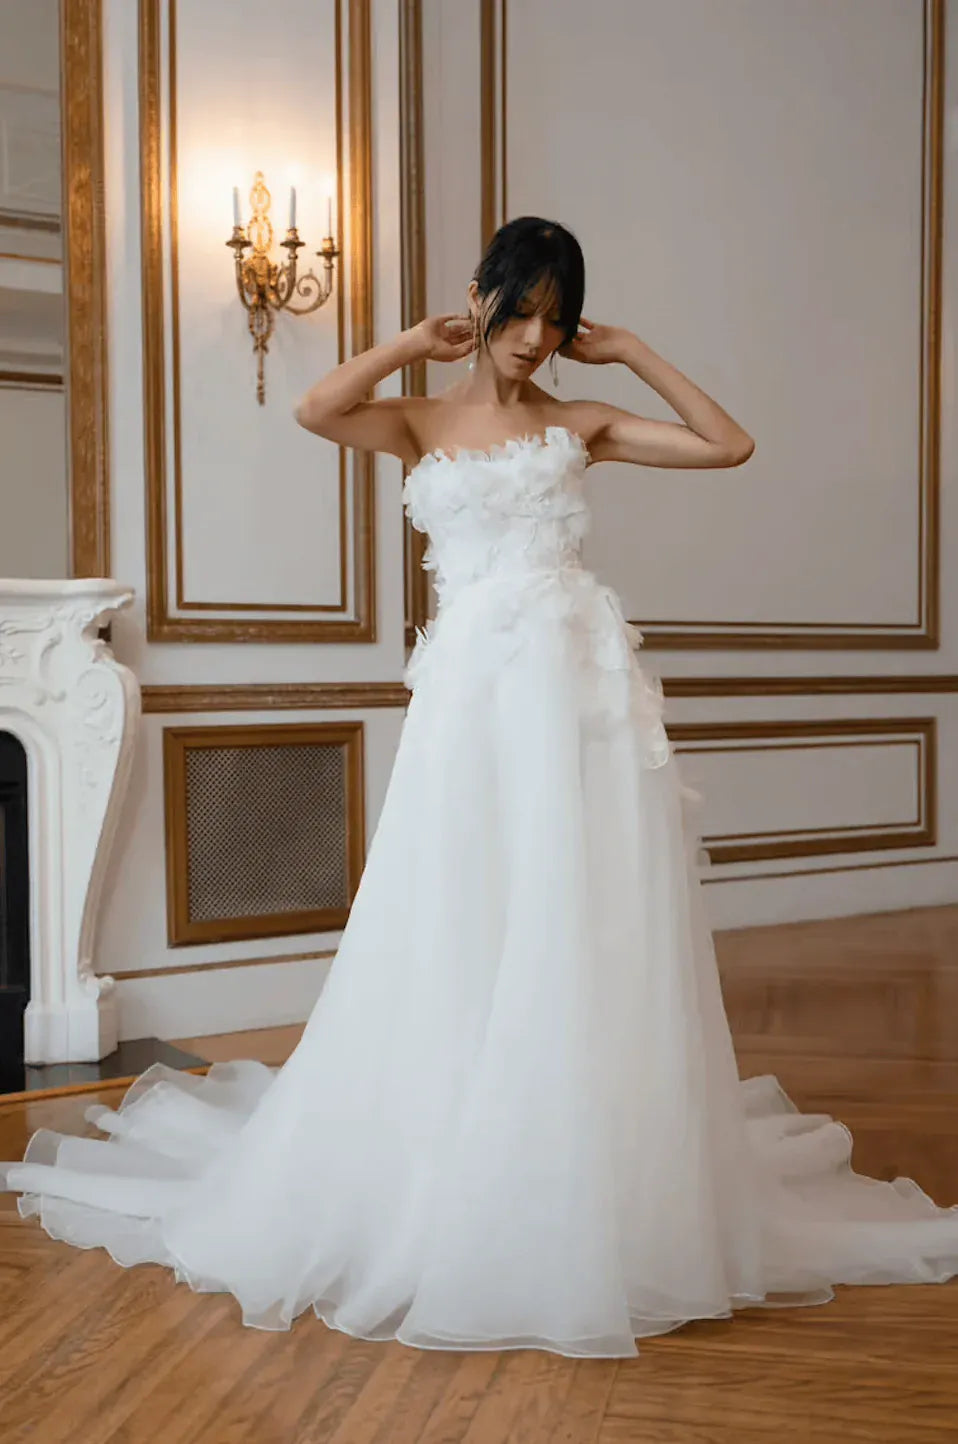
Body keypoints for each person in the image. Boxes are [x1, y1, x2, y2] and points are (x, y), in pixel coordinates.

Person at [2, 217, 956, 1359]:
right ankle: (450, 1139)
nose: (538, 337)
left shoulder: (581, 421)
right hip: (468, 703)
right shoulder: (420, 418)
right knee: (457, 904)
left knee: (581, 915)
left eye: (558, 318)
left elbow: (730, 445)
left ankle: (577, 1156)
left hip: (577, 700)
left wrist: (632, 351)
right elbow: (316, 409)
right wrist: (412, 342)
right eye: (523, 311)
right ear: (481, 299)